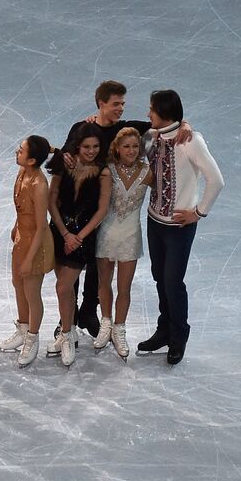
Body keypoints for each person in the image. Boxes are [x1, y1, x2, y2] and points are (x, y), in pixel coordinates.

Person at [56, 80, 191, 338]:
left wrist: (184, 124)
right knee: (73, 266)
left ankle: (88, 311)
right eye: (116, 104)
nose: (121, 108)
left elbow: (162, 123)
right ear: (101, 104)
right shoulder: (81, 128)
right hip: (81, 210)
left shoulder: (126, 129)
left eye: (123, 104)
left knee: (97, 269)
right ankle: (68, 318)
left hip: (108, 212)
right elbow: (67, 157)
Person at [137, 89, 223, 365]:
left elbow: (216, 180)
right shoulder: (151, 137)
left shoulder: (191, 141)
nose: (147, 113)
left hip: (178, 227)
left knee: (173, 281)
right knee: (159, 277)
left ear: (165, 113)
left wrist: (199, 212)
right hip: (154, 221)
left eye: (151, 109)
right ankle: (164, 329)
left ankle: (178, 335)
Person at [45, 123, 111, 366]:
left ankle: (65, 335)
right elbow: (52, 201)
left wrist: (78, 237)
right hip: (59, 232)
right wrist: (65, 234)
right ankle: (69, 331)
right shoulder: (65, 165)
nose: (92, 151)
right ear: (77, 146)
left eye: (95, 146)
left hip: (83, 238)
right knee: (67, 289)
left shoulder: (103, 172)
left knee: (63, 288)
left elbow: (102, 210)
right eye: (87, 147)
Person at [94, 127, 150, 358]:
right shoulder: (108, 170)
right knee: (104, 283)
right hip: (106, 233)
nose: (131, 150)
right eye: (126, 146)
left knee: (124, 288)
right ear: (117, 148)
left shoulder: (148, 172)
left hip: (130, 236)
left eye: (135, 146)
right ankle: (105, 323)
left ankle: (119, 328)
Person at [4, 135, 54, 367]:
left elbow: (42, 225)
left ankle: (32, 338)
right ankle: (23, 328)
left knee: (32, 292)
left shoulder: (39, 185)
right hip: (22, 239)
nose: (17, 152)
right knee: (18, 285)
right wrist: (15, 228)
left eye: (21, 150)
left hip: (36, 244)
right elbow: (22, 210)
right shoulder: (22, 173)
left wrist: (29, 259)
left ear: (32, 160)